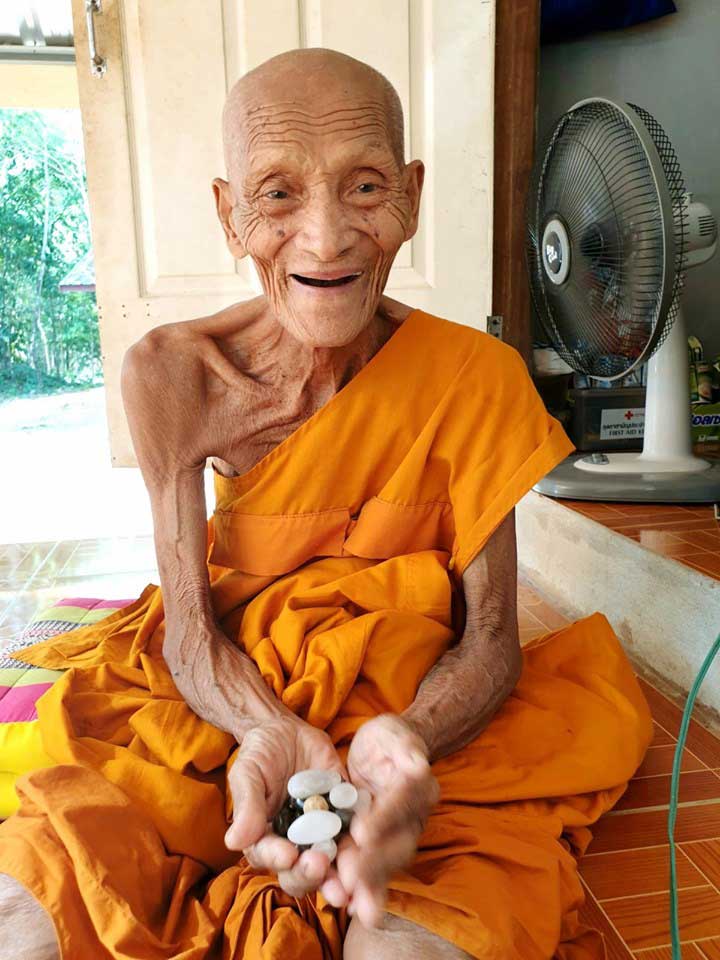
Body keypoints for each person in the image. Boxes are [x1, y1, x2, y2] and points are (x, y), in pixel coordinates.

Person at [0, 48, 652, 959]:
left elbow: (491, 641)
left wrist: (409, 740)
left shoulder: (480, 378)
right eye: (278, 194)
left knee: (415, 936)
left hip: (419, 707)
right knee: (38, 904)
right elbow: (189, 632)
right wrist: (267, 728)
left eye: (365, 187)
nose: (326, 237)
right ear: (229, 215)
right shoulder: (174, 376)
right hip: (222, 699)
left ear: (411, 197)